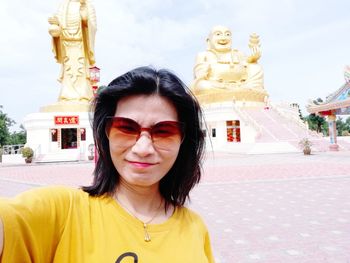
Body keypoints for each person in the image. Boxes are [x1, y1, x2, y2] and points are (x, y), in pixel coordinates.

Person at [0, 66, 215, 262]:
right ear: (107, 133)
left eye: (164, 131)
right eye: (126, 128)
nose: (143, 148)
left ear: (183, 140)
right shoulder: (62, 212)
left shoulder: (195, 228)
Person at [48, 0, 97, 102]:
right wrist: (54, 22)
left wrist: (85, 18)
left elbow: (93, 26)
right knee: (68, 70)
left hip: (81, 44)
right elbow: (57, 21)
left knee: (81, 70)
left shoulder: (87, 5)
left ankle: (84, 95)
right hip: (66, 44)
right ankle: (66, 96)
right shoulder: (64, 5)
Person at [192, 25, 264, 93]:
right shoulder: (204, 55)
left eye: (227, 34)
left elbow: (247, 65)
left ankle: (242, 89)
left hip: (241, 84)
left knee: (256, 67)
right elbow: (199, 76)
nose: (223, 38)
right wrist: (204, 69)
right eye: (218, 34)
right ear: (208, 41)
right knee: (203, 86)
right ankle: (237, 91)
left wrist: (253, 59)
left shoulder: (238, 54)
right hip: (216, 85)